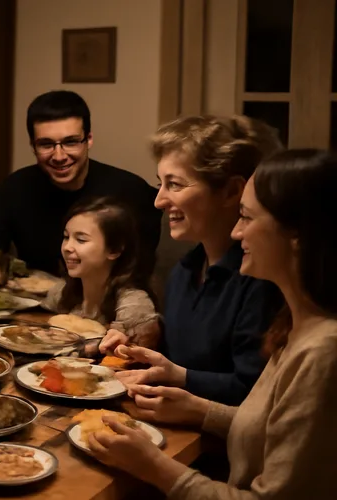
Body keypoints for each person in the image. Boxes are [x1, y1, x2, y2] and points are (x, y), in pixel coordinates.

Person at [86, 149, 337, 499]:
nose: (236, 232)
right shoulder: (296, 326)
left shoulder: (322, 352)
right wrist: (201, 411)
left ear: (296, 234)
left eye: (247, 218)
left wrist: (155, 466)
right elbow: (273, 432)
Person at [103, 115, 285, 405]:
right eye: (160, 183)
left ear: (231, 192)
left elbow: (253, 392)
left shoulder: (261, 280)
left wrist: (178, 376)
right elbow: (186, 353)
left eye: (174, 185)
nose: (159, 200)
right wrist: (143, 341)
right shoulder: (185, 270)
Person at [0, 90, 162, 277]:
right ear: (33, 146)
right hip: (34, 301)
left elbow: (143, 268)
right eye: (46, 144)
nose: (59, 156)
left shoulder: (130, 191)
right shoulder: (15, 187)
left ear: (88, 139)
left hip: (108, 301)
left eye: (71, 142)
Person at [43, 197, 161, 349]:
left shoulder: (134, 306)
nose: (67, 247)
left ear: (114, 249)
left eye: (81, 240)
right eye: (66, 237)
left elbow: (139, 363)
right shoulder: (60, 292)